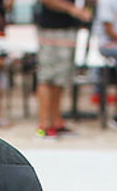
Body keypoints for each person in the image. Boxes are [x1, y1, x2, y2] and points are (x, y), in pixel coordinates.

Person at [35, 0, 93, 136]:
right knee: (46, 77)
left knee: (60, 78)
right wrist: (73, 9)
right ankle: (43, 125)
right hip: (51, 30)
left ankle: (56, 122)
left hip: (68, 27)